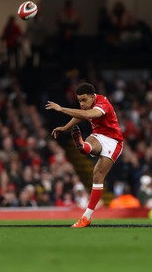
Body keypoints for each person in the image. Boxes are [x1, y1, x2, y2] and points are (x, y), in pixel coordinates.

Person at [45, 82, 123, 227]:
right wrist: (65, 127)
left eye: (84, 100)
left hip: (114, 141)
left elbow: (86, 114)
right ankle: (82, 146)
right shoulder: (89, 103)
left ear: (93, 97)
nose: (82, 103)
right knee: (88, 143)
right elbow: (81, 116)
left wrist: (61, 109)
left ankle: (86, 217)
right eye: (79, 100)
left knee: (97, 175)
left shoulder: (103, 105)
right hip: (98, 135)